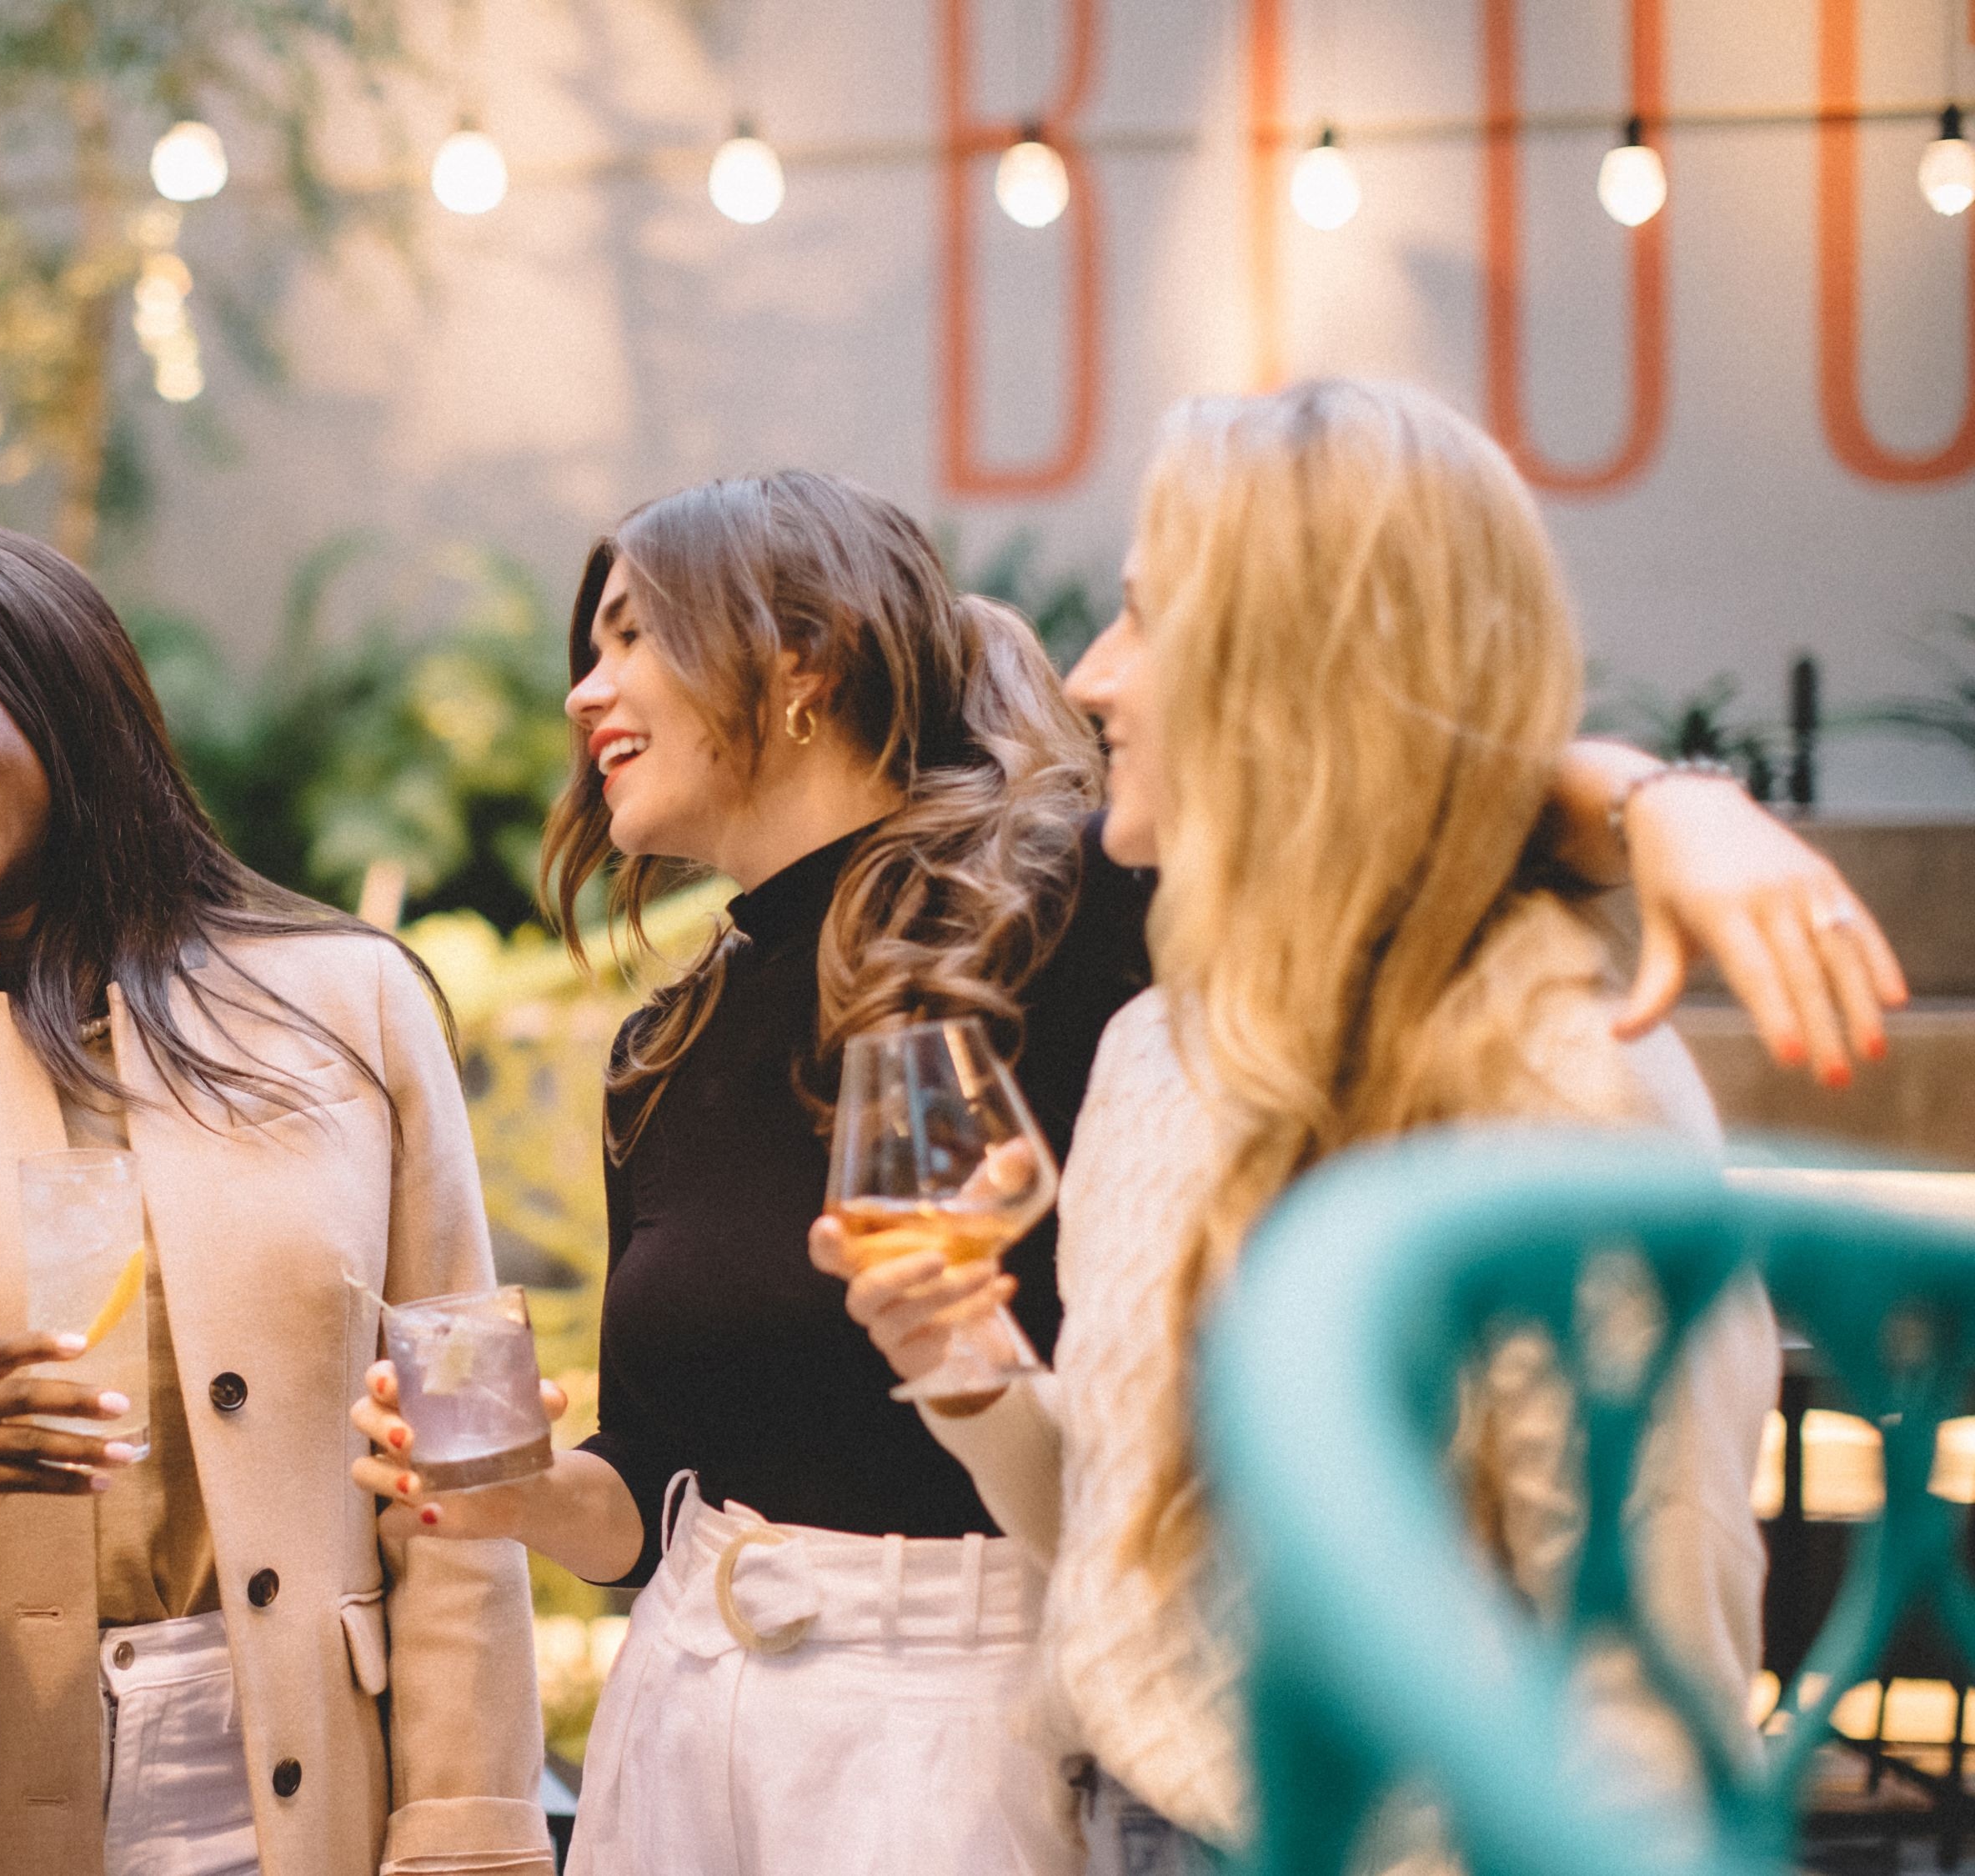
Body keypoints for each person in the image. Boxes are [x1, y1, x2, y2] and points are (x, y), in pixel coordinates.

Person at [348, 469, 1896, 1876]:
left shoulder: (1066, 909)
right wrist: (522, 1498)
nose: (583, 690)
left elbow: (1354, 781)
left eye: (629, 637)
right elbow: (659, 1475)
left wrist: (1657, 801)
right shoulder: (666, 1045)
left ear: (802, 663)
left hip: (981, 1723)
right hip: (682, 1719)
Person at [835, 379, 1784, 1874]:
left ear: (1288, 670)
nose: (1089, 675)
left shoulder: (1571, 1091)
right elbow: (1121, 1555)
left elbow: (1652, 1707)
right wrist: (955, 1359)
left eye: (1146, 618)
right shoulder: (1153, 1049)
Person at [0, 524, 554, 1876]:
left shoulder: (358, 1005)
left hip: (297, 1790)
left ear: (61, 691)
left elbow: (471, 1460)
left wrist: (468, 1838)